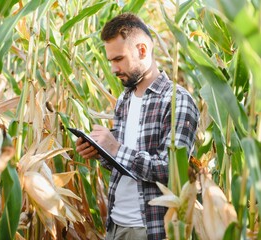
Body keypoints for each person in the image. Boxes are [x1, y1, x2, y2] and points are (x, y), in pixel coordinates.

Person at [75, 13, 199, 240]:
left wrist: (115, 148)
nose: (113, 69)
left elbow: (173, 171)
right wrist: (99, 152)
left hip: (150, 229)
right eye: (111, 60)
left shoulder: (177, 101)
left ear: (142, 50)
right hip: (115, 224)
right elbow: (125, 166)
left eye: (119, 59)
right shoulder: (125, 99)